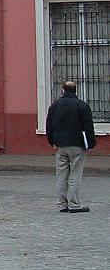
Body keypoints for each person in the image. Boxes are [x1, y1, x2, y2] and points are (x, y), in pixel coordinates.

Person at [46, 79, 97, 213]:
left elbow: (49, 127)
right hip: (77, 145)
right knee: (75, 174)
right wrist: (90, 144)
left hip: (60, 145)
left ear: (63, 90)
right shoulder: (82, 106)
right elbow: (88, 127)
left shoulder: (54, 106)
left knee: (61, 175)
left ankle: (62, 204)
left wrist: (52, 142)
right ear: (75, 91)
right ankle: (74, 204)